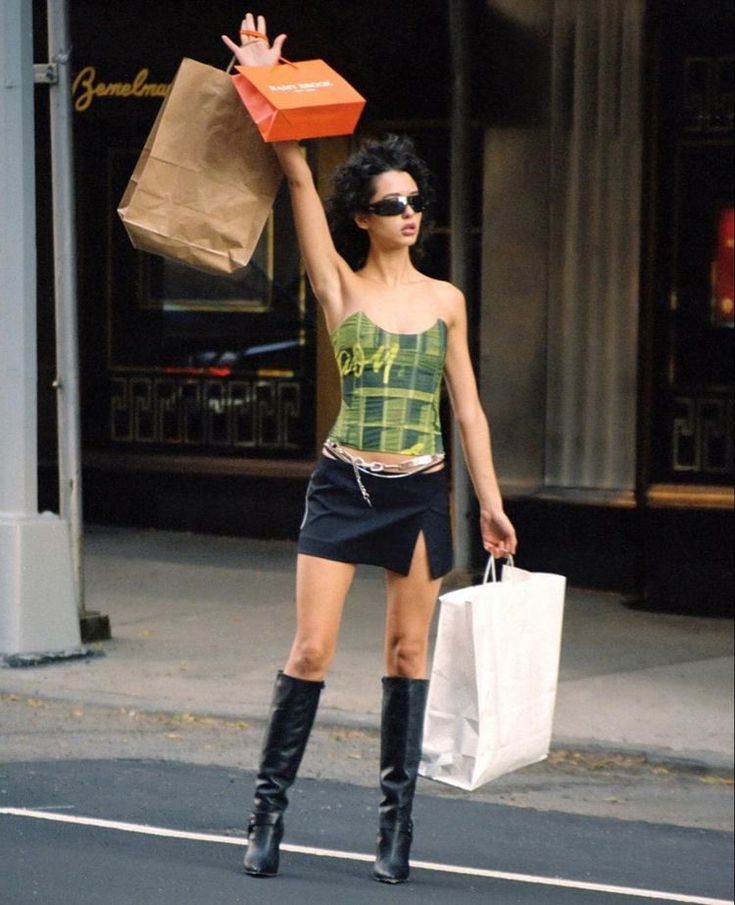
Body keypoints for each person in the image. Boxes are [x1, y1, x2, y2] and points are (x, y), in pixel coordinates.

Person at [223, 13, 518, 885]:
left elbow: (467, 409)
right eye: (392, 204)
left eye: (415, 202)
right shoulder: (341, 289)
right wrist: (265, 83)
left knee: (405, 656)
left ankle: (396, 824)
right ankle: (266, 810)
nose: (408, 214)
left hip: (420, 497)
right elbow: (300, 186)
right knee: (310, 651)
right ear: (364, 215)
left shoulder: (447, 300)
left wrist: (492, 500)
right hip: (343, 488)